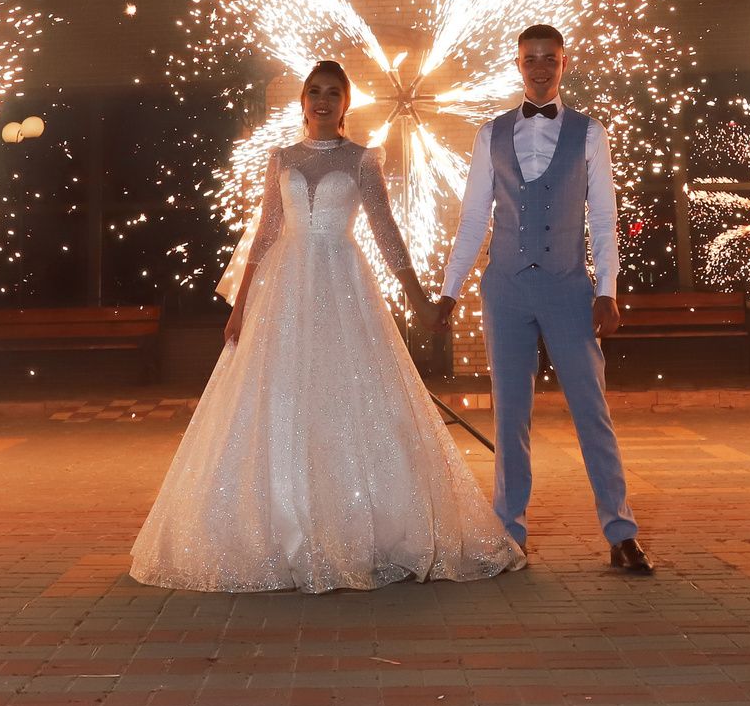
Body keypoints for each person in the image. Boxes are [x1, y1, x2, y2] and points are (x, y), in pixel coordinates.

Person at [130, 60, 524, 592]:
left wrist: (419, 301)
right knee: (279, 396)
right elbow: (265, 233)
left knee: (347, 394)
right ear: (302, 101)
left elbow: (386, 231)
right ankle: (280, 525)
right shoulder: (282, 159)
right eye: (314, 91)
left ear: (345, 103)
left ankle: (365, 526)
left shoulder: (363, 159)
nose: (322, 100)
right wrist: (240, 306)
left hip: (343, 283)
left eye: (332, 92)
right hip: (283, 289)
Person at [434, 24, 654, 573]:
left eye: (548, 58)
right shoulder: (490, 134)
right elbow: (473, 219)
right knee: (510, 415)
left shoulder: (590, 133)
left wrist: (607, 290)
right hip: (505, 288)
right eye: (529, 58)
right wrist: (449, 290)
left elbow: (603, 218)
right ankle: (508, 533)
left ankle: (621, 531)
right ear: (518, 64)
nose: (539, 67)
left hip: (567, 287)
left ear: (563, 63)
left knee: (591, 410)